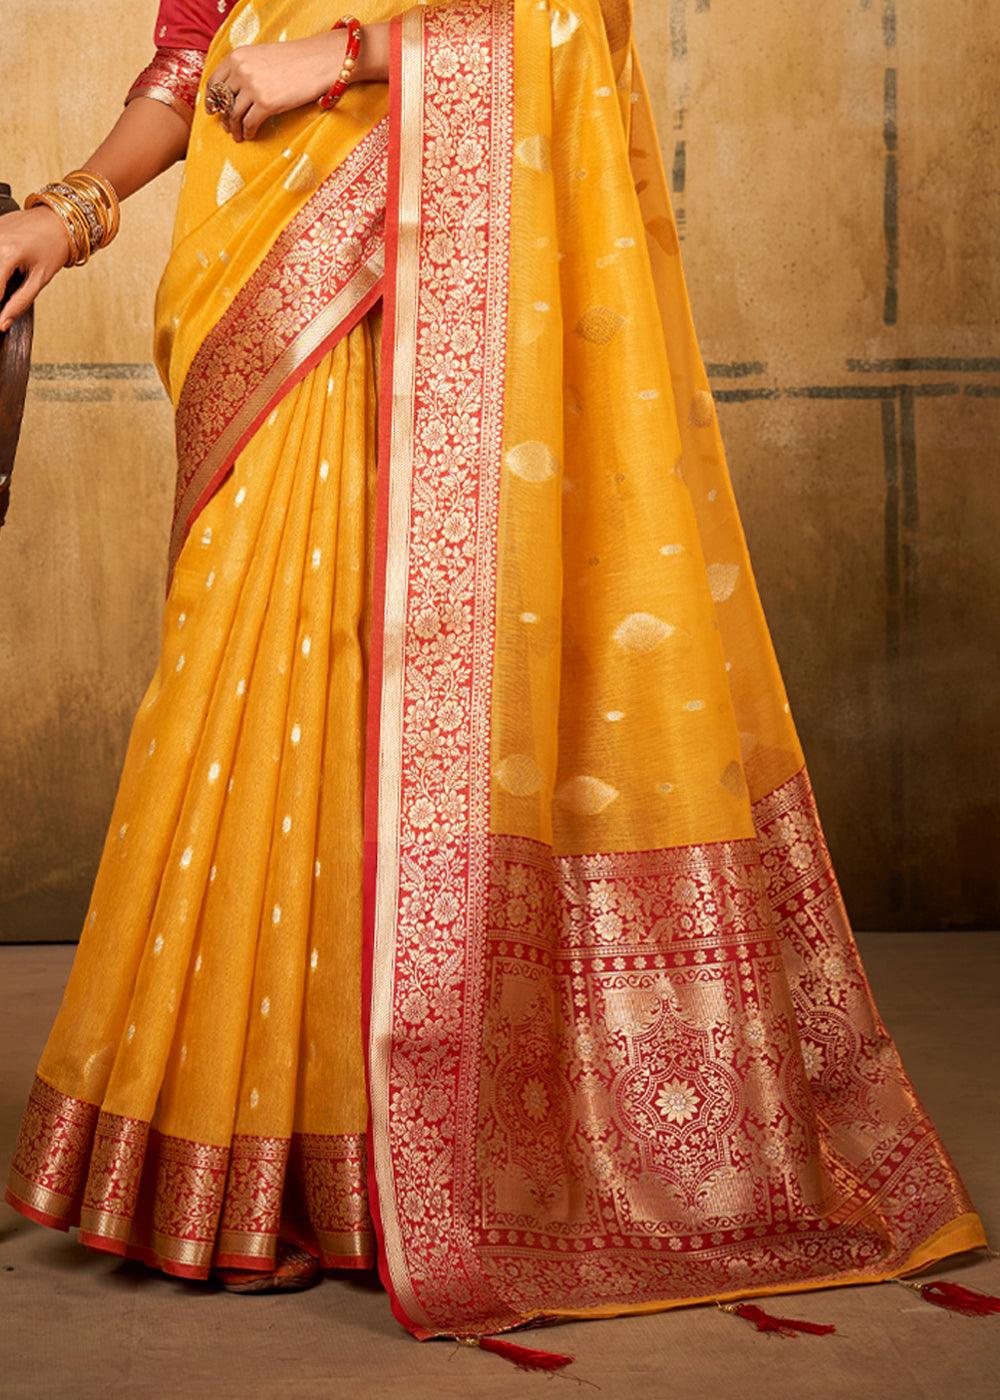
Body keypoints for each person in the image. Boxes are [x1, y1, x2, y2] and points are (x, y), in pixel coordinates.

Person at [2, 0, 992, 1362]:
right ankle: (255, 1162)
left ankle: (415, 1165)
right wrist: (70, 210)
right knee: (259, 694)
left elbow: (570, 21)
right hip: (269, 284)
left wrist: (346, 54)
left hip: (445, 269)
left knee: (418, 706)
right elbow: (193, 51)